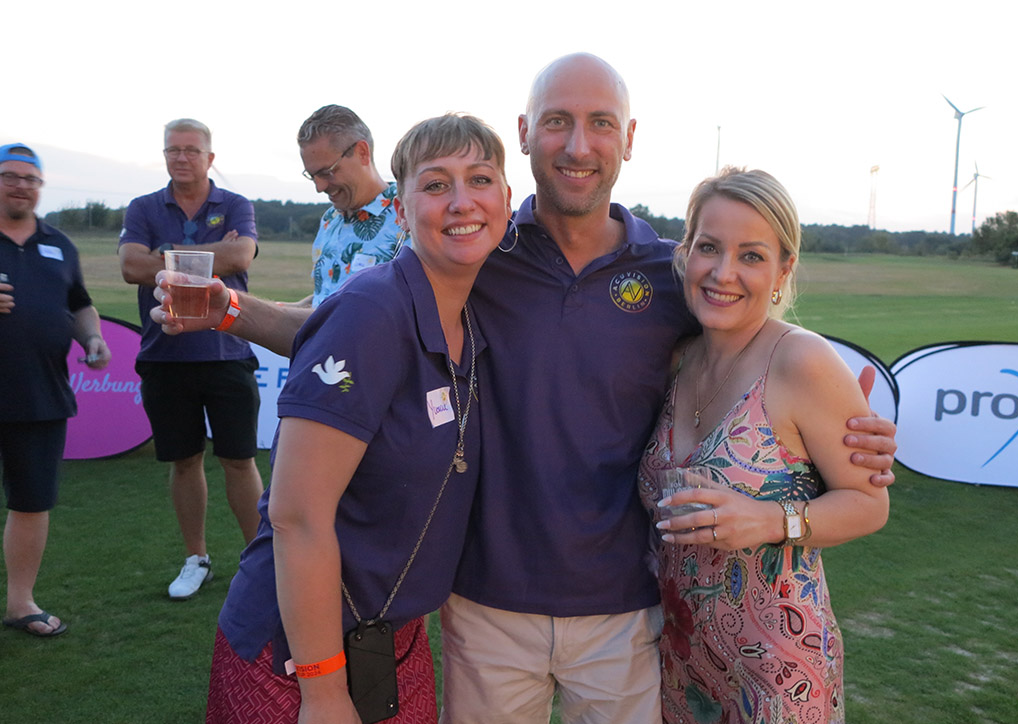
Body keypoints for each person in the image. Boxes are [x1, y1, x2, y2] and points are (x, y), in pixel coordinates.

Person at [149, 55, 897, 723]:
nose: (578, 145)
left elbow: (748, 330)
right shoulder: (478, 250)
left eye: (601, 123)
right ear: (526, 134)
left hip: (625, 609)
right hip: (484, 605)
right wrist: (234, 310)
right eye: (558, 122)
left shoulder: (671, 273)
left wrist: (842, 427)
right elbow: (343, 330)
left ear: (628, 138)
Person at [203, 113, 512, 724]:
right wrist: (322, 689)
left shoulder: (470, 317)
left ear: (506, 200)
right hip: (296, 650)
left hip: (391, 638)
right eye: (435, 184)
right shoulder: (371, 311)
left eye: (480, 179)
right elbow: (295, 516)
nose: (461, 201)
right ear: (402, 210)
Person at [642, 167, 891, 722]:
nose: (723, 272)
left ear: (783, 270)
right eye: (709, 247)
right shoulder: (678, 359)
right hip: (681, 667)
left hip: (779, 676)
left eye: (751, 255)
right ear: (686, 252)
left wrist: (770, 521)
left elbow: (869, 504)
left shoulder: (801, 360)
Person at [118, 119, 263, 600]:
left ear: (209, 158)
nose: (181, 158)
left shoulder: (235, 204)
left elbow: (240, 257)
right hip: (166, 355)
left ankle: (260, 561)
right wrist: (208, 256)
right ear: (164, 155)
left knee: (239, 460)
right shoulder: (143, 206)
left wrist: (165, 255)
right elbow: (130, 267)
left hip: (227, 350)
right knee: (184, 461)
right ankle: (196, 558)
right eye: (173, 150)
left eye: (191, 150)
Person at [0, 143, 111, 637]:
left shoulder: (60, 245)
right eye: (9, 175)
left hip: (39, 394)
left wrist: (92, 337)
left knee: (31, 502)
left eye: (30, 178)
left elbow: (79, 303)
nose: (20, 185)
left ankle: (20, 603)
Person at [299, 104, 405, 307]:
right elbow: (325, 297)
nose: (319, 187)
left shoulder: (408, 217)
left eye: (327, 172)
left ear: (362, 153)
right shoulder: (330, 219)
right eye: (312, 176)